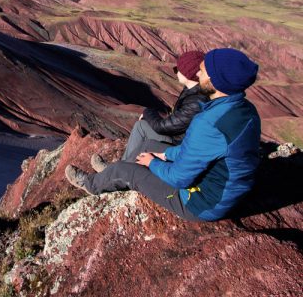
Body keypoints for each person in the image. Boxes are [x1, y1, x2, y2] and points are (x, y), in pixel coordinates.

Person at [66, 48, 261, 221]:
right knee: (145, 147)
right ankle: (114, 174)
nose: (198, 73)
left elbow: (179, 179)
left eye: (203, 70)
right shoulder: (245, 109)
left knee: (128, 172)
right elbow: (197, 150)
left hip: (201, 203)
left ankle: (90, 184)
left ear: (217, 80)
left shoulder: (210, 123)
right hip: (223, 189)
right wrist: (165, 155)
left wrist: (153, 163)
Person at [92, 50, 209, 169]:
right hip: (179, 139)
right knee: (141, 126)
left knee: (142, 128)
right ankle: (120, 169)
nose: (175, 72)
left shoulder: (196, 101)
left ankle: (120, 173)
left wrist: (148, 112)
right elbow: (177, 121)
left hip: (179, 145)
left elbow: (162, 127)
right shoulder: (192, 91)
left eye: (177, 70)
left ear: (188, 73)